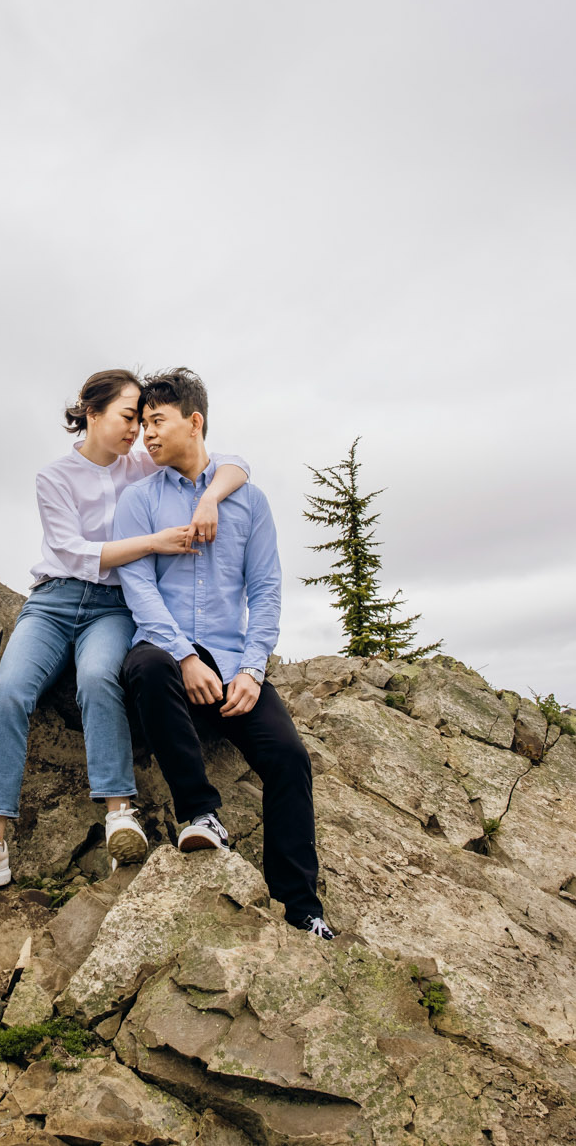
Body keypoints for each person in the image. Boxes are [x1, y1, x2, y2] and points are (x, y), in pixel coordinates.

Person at [0, 369, 253, 894]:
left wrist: (208, 499)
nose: (137, 430)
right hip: (53, 601)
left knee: (98, 681)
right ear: (92, 412)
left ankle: (119, 814)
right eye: (128, 417)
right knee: (10, 693)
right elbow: (72, 553)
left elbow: (237, 464)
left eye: (142, 419)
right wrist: (154, 542)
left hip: (114, 606)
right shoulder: (54, 477)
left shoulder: (143, 467)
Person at [112, 367, 334, 939]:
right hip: (165, 655)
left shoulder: (247, 502)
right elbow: (138, 588)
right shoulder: (139, 501)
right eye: (143, 425)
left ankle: (302, 908)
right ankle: (200, 812)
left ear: (195, 422)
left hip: (234, 660)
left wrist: (252, 670)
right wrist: (185, 657)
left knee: (289, 758)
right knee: (145, 665)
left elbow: (265, 590)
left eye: (157, 422)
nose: (148, 435)